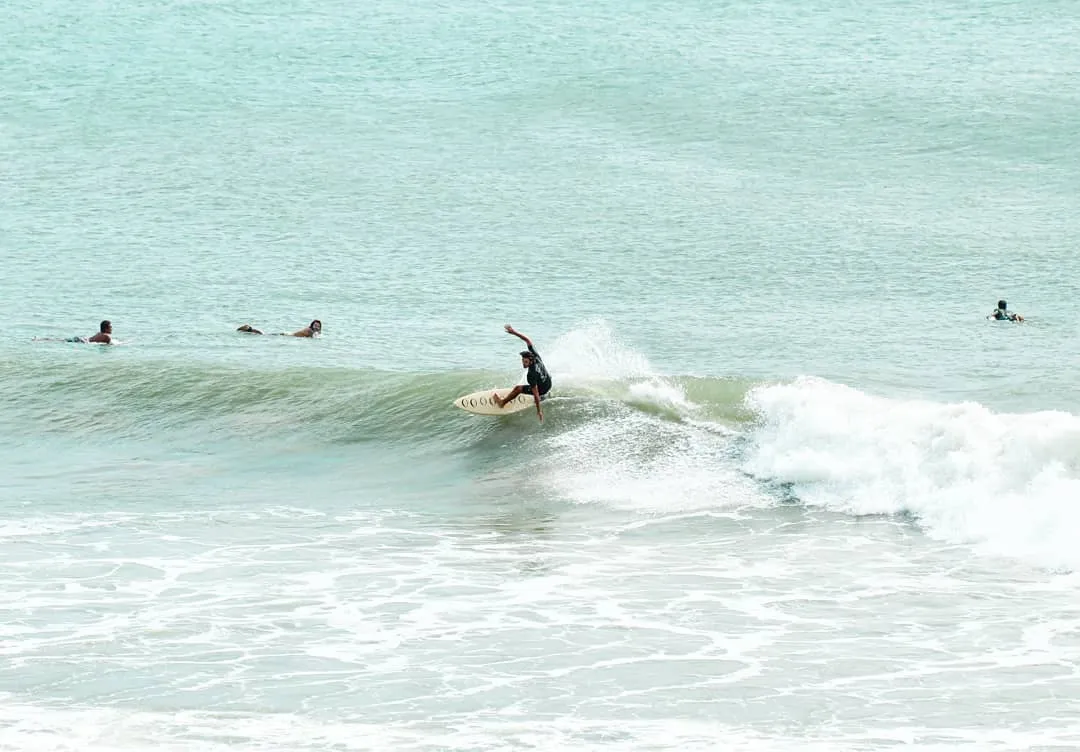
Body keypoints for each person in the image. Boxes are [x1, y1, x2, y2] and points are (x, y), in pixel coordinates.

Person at [492, 324, 552, 422]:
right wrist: (514, 332)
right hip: (549, 382)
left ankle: (502, 403)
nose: (523, 364)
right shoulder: (535, 356)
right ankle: (545, 395)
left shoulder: (531, 374)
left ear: (531, 361)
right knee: (545, 376)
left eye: (526, 362)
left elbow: (536, 394)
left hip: (543, 389)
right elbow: (527, 340)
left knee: (518, 388)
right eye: (523, 361)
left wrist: (539, 411)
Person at [236, 320, 322, 337]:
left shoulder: (311, 331)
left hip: (288, 335)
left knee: (265, 335)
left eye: (318, 326)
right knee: (263, 335)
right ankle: (248, 329)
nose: (317, 327)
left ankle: (249, 329)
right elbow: (312, 337)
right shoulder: (310, 331)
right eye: (315, 325)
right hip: (287, 335)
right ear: (312, 325)